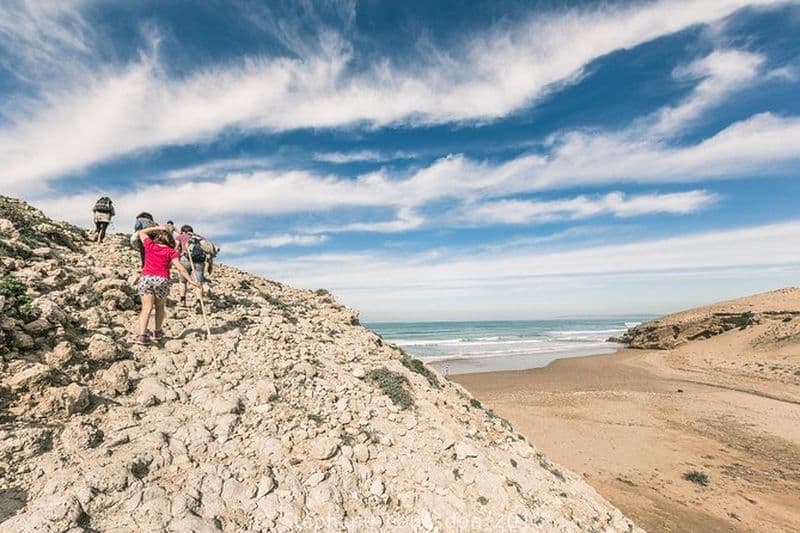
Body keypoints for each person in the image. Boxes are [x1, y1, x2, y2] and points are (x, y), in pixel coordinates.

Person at [135, 225, 199, 345]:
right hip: (161, 280)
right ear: (169, 240)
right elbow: (180, 267)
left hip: (146, 278)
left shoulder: (150, 245)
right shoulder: (171, 252)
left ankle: (142, 335)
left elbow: (141, 232)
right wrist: (190, 280)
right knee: (160, 306)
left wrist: (159, 227)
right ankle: (157, 332)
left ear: (158, 238)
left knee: (146, 308)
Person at [175, 224, 214, 307]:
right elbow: (208, 250)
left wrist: (175, 260)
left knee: (183, 281)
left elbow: (177, 248)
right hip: (199, 261)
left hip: (185, 259)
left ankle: (182, 300)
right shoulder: (200, 238)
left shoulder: (181, 236)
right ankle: (199, 302)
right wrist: (210, 265)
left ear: (183, 231)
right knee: (198, 282)